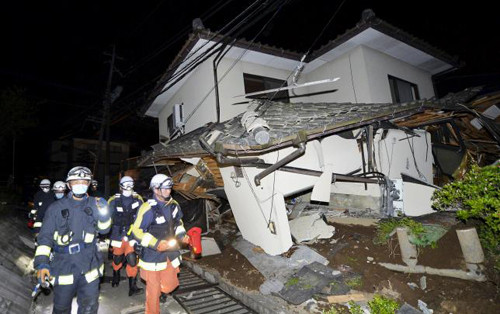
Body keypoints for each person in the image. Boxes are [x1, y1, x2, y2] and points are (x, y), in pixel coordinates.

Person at [34, 166, 112, 314]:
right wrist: (42, 263)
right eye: (76, 181)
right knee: (61, 309)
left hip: (89, 265)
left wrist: (104, 214)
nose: (80, 184)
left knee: (89, 308)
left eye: (84, 181)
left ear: (89, 184)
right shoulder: (56, 208)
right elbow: (45, 237)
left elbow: (105, 230)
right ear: (69, 185)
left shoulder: (96, 204)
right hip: (64, 266)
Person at [130, 174, 189, 314]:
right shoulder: (147, 208)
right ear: (156, 190)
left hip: (170, 252)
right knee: (153, 291)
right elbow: (136, 231)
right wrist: (155, 243)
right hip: (152, 256)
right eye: (165, 188)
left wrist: (182, 235)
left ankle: (162, 290)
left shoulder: (174, 205)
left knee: (169, 286)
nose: (168, 191)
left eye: (169, 188)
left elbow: (178, 224)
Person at [107, 176, 144, 296]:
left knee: (132, 260)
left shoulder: (138, 200)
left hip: (132, 235)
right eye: (126, 184)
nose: (128, 187)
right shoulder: (113, 201)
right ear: (121, 186)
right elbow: (106, 219)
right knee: (117, 259)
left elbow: (143, 218)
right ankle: (116, 275)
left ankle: (132, 286)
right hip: (118, 235)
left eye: (131, 184)